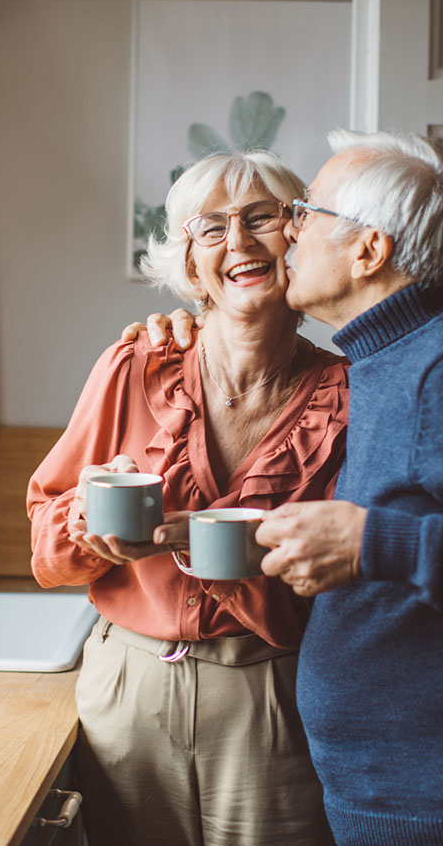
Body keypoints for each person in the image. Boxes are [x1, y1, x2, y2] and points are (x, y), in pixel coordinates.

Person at [147, 129, 443, 845]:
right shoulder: (388, 359)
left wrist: (371, 542)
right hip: (407, 796)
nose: (290, 232)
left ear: (369, 250)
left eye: (306, 214)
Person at [27, 149, 348, 846]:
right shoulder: (133, 365)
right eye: (211, 228)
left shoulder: (350, 397)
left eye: (262, 218)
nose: (238, 242)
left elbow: (352, 584)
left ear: (297, 236)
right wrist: (89, 527)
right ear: (191, 263)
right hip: (129, 689)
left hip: (272, 693)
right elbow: (44, 546)